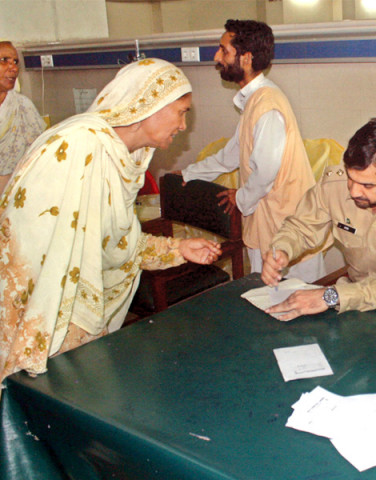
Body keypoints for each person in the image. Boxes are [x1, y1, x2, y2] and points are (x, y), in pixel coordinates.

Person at [0, 58, 222, 382]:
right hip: (47, 318)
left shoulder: (122, 157)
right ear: (149, 104)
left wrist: (179, 249)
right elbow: (27, 243)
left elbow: (118, 243)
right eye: (181, 112)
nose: (183, 125)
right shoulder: (76, 146)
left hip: (79, 321)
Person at [180, 19, 325, 282]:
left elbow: (266, 172)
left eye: (224, 51)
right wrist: (188, 175)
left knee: (299, 296)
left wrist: (240, 198)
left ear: (246, 58)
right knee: (268, 294)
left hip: (288, 224)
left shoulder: (267, 104)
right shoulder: (255, 101)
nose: (217, 57)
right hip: (268, 220)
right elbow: (230, 156)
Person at [262, 118, 376, 321]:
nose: (354, 191)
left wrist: (332, 296)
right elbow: (301, 228)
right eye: (351, 178)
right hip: (355, 301)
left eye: (368, 185)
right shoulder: (334, 185)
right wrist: (282, 249)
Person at [0, 41, 46, 194]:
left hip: (17, 190)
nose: (13, 68)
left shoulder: (22, 106)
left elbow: (40, 149)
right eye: (4, 60)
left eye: (15, 62)